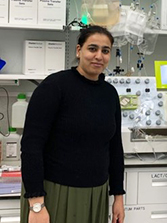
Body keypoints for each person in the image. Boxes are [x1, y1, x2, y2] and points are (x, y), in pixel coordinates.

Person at [20, 25, 125, 223]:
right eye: (92, 49)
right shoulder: (54, 87)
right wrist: (36, 204)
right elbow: (31, 146)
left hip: (96, 193)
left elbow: (115, 148)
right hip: (54, 192)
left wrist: (118, 196)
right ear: (79, 51)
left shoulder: (110, 94)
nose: (98, 56)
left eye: (105, 51)